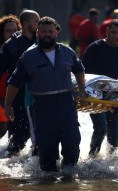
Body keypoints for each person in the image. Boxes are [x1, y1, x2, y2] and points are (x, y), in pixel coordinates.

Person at [4, 16, 86, 172]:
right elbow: (14, 83)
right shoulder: (29, 56)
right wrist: (8, 106)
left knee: (72, 144)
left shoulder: (67, 52)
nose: (47, 34)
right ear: (37, 34)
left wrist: (82, 89)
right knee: (47, 153)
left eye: (50, 31)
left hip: (67, 106)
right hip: (43, 108)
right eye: (43, 32)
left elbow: (79, 69)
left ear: (56, 33)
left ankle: (69, 182)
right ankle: (47, 184)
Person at [82, 19, 118, 158]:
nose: (115, 36)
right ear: (107, 31)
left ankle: (111, 165)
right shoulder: (94, 48)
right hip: (95, 95)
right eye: (113, 32)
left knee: (114, 135)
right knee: (101, 128)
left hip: (115, 96)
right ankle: (92, 157)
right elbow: (82, 72)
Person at [0, 9, 40, 157]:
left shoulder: (41, 41)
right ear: (26, 23)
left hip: (38, 95)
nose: (39, 23)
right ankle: (8, 163)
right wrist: (7, 104)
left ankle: (36, 163)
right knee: (18, 135)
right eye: (36, 21)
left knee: (39, 132)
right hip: (17, 96)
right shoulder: (11, 45)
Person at [0, 14, 22, 139]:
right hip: (1, 96)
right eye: (8, 31)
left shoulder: (23, 49)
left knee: (16, 129)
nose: (12, 33)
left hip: (16, 94)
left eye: (15, 30)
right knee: (3, 126)